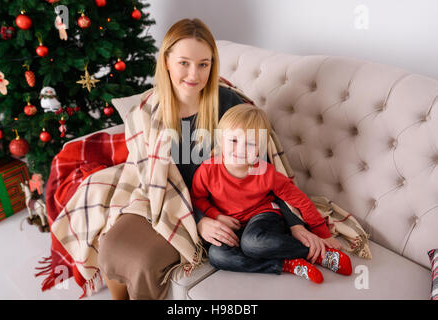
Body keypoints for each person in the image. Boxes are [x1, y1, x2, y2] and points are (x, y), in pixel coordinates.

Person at [98, 18, 337, 300]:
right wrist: (200, 220)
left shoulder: (230, 105)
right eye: (184, 63)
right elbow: (149, 177)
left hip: (228, 207)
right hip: (172, 204)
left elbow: (267, 173)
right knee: (110, 245)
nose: (193, 74)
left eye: (203, 64)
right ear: (166, 62)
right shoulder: (150, 113)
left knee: (144, 261)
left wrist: (295, 223)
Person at [190, 104, 352, 283]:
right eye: (234, 141)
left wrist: (323, 233)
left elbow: (300, 200)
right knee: (218, 256)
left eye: (250, 144)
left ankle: (319, 254)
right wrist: (216, 215)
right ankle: (286, 264)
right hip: (233, 224)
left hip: (263, 216)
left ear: (260, 148)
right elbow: (198, 199)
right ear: (221, 140)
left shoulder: (265, 172)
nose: (241, 150)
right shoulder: (207, 170)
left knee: (253, 243)